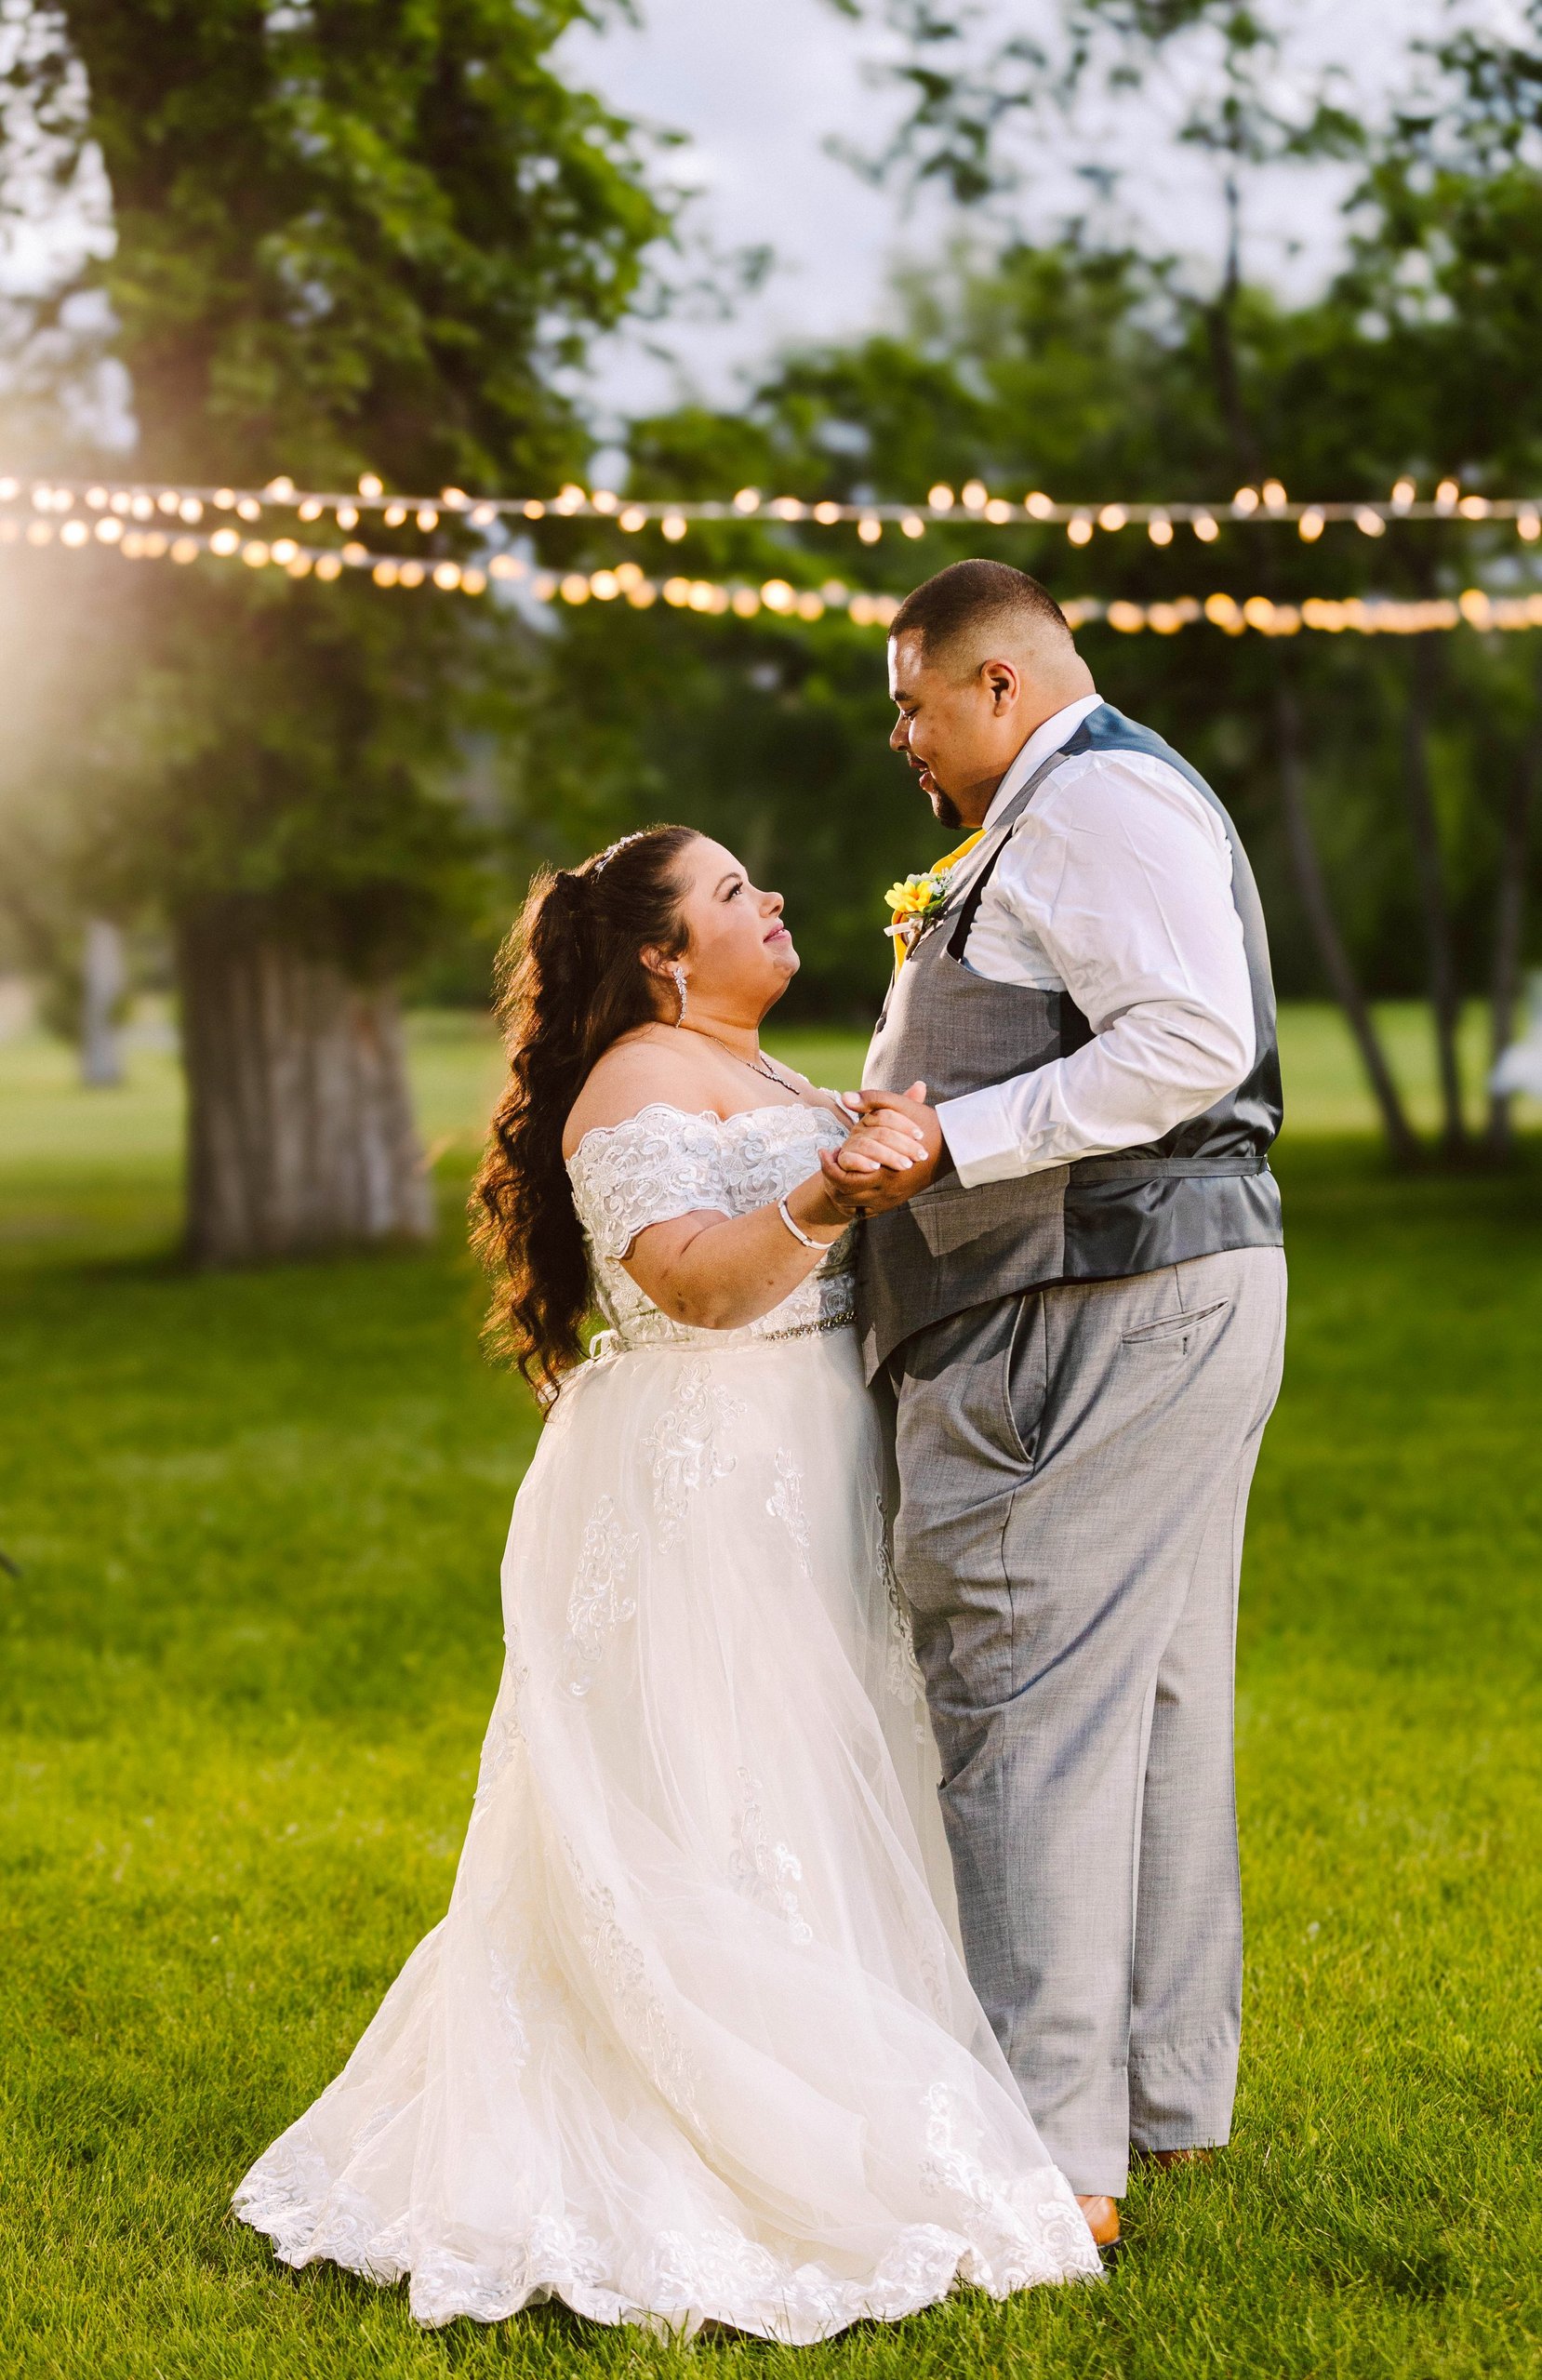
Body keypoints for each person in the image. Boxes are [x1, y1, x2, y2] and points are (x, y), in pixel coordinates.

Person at [233, 824, 1102, 2338]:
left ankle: (854, 2060)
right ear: (658, 954)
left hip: (804, 1455)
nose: (769, 899)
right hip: (705, 1477)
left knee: (816, 1770)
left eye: (759, 880)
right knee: (712, 1785)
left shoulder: (766, 1072)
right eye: (728, 893)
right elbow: (693, 1282)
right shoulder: (632, 1081)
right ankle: (717, 2123)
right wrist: (832, 1194)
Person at [822, 559, 1287, 2258]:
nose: (900, 736)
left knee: (1024, 1701)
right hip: (1153, 1297)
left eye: (910, 699)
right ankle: (1154, 2105)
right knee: (1151, 1704)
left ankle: (1043, 2163)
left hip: (1086, 1310)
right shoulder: (1075, 806)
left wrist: (947, 1139)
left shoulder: (1087, 802)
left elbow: (1188, 1040)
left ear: (998, 687)